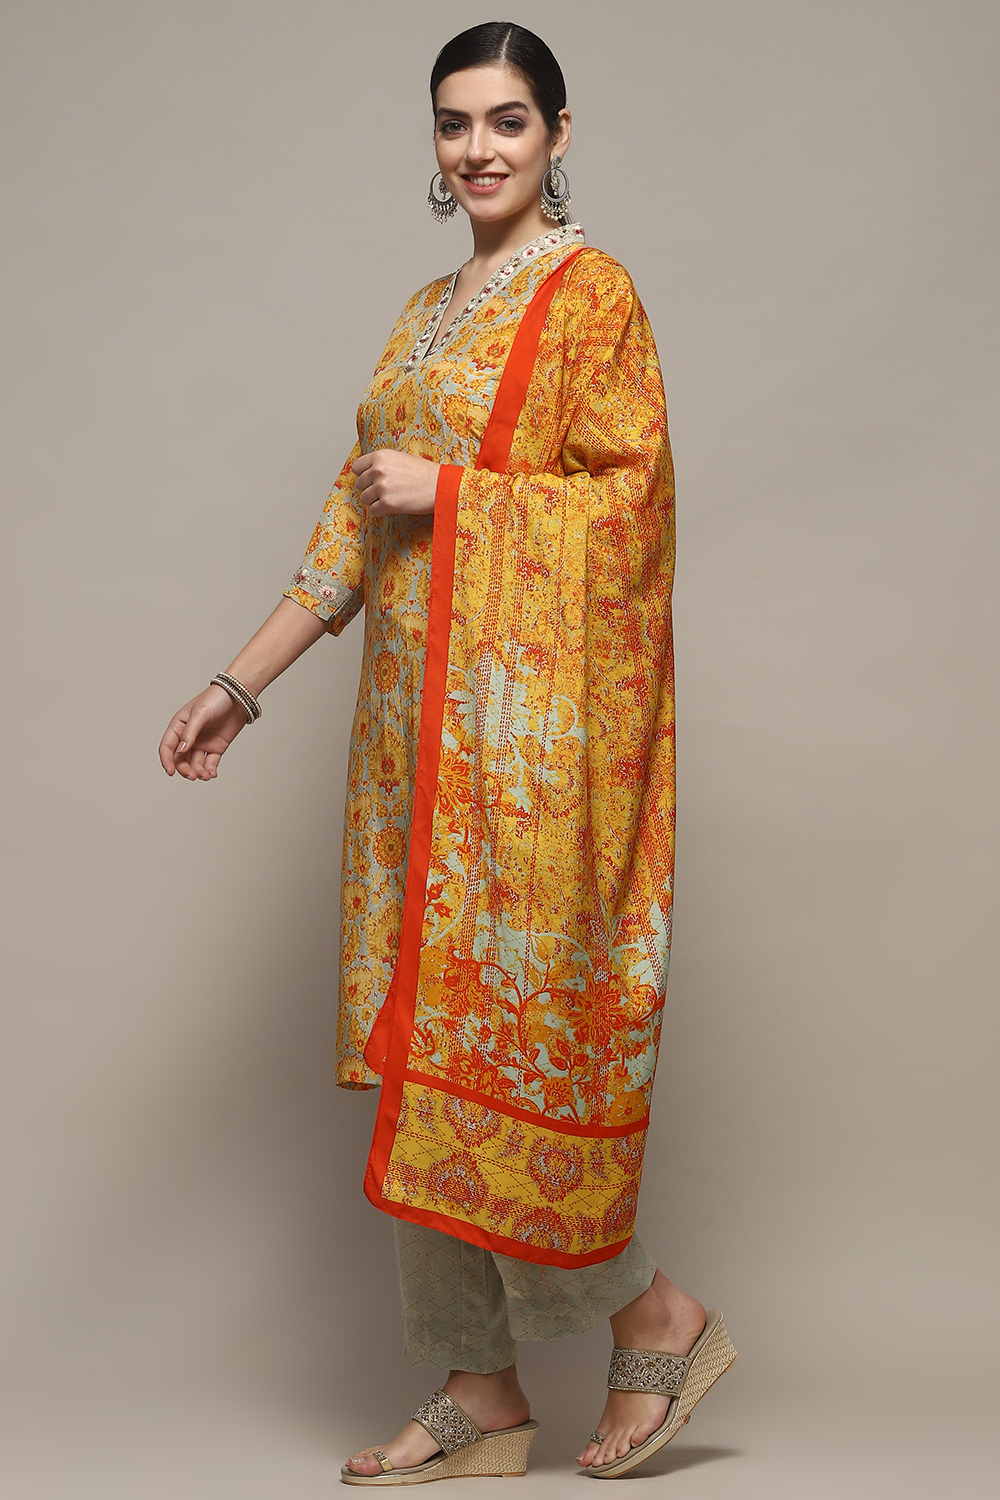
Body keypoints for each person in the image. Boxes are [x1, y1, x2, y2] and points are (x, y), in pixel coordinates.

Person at [158, 20, 735, 1485]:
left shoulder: (592, 294)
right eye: (454, 122)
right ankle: (480, 1387)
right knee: (422, 1050)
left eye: (507, 121)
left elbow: (634, 513)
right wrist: (239, 684)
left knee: (508, 1042)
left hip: (526, 760)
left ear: (558, 133)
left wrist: (459, 492)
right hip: (409, 746)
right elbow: (353, 526)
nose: (478, 149)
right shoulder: (424, 314)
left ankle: (657, 1318)